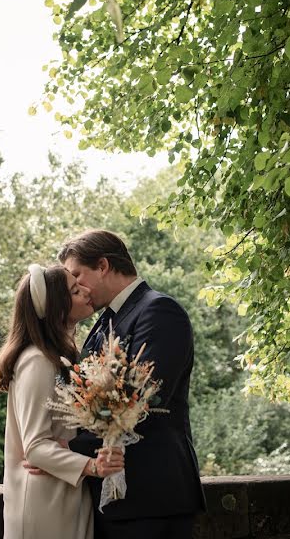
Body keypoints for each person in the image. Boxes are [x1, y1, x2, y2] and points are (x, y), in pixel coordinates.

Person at [58, 230, 206, 539]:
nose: (75, 287)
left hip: (152, 492)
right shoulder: (102, 322)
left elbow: (144, 399)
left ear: (103, 266)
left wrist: (65, 451)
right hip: (112, 493)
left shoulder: (160, 311)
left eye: (77, 275)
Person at [0, 264, 125, 539]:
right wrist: (94, 467)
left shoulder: (63, 356)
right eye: (75, 291)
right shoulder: (37, 361)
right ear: (58, 308)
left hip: (66, 494)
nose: (86, 291)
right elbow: (36, 447)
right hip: (43, 505)